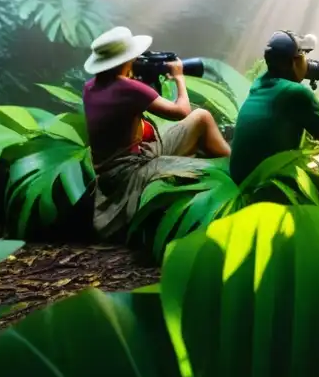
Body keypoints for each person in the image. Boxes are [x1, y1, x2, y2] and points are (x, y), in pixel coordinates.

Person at [82, 26, 231, 239]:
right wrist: (179, 78)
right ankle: (235, 175)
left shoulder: (90, 87)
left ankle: (230, 165)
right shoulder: (130, 89)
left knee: (202, 118)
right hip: (132, 170)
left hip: (113, 169)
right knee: (210, 170)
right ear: (127, 60)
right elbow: (182, 111)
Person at [229, 30, 319, 199]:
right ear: (295, 61)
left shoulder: (260, 83)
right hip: (271, 188)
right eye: (305, 55)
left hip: (243, 181)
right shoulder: (295, 93)